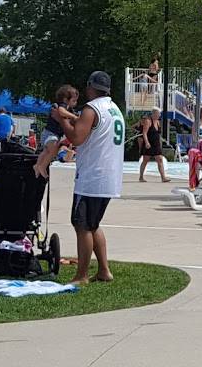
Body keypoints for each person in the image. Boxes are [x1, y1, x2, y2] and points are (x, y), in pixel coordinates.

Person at [52, 71, 124, 285]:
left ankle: (81, 275)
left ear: (91, 87)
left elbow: (76, 138)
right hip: (109, 175)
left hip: (93, 177)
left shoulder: (91, 109)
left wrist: (61, 119)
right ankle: (103, 270)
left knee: (81, 225)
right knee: (93, 224)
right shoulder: (114, 108)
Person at [33, 85, 80, 178]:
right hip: (50, 133)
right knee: (53, 150)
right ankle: (42, 166)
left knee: (47, 151)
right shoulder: (61, 106)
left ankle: (37, 165)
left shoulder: (70, 109)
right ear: (66, 100)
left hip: (53, 135)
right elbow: (61, 111)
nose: (76, 103)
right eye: (74, 101)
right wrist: (73, 117)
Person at [138, 107, 169, 182]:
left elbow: (157, 134)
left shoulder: (158, 122)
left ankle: (163, 177)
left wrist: (161, 141)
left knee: (160, 159)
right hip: (149, 143)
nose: (159, 115)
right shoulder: (148, 121)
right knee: (145, 160)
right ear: (154, 113)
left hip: (156, 144)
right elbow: (144, 133)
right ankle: (141, 177)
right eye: (158, 114)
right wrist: (147, 142)